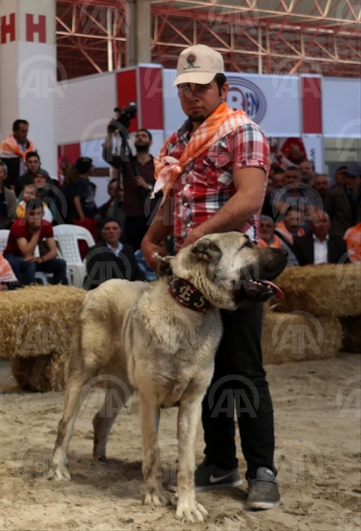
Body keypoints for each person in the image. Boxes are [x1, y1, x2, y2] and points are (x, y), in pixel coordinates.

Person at [140, 44, 279, 510]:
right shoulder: (177, 143)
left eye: (201, 87)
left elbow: (250, 199)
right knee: (206, 370)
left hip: (231, 271)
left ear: (222, 87)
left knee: (244, 369)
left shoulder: (243, 131)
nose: (192, 96)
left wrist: (198, 234)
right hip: (188, 277)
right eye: (185, 89)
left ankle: (262, 469)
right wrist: (153, 237)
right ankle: (219, 461)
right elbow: (172, 202)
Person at [103, 127, 157, 250]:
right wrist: (110, 133)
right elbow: (107, 156)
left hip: (152, 216)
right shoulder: (127, 161)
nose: (139, 138)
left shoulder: (158, 164)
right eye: (137, 136)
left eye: (144, 136)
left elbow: (165, 190)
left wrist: (147, 186)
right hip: (132, 216)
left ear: (150, 142)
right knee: (133, 250)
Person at [4, 200, 67, 286]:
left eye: (38, 213)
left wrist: (41, 259)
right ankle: (27, 293)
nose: (35, 217)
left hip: (30, 258)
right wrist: (37, 231)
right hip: (12, 257)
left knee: (60, 263)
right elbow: (26, 253)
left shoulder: (47, 225)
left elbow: (53, 251)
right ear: (26, 214)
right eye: (31, 214)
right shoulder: (18, 225)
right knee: (30, 263)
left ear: (43, 214)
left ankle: (60, 292)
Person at [83, 217, 143, 290]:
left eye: (115, 228)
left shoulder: (128, 249)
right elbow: (95, 278)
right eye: (107, 229)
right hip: (104, 291)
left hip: (129, 290)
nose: (111, 231)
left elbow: (136, 272)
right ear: (102, 232)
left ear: (120, 232)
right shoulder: (94, 251)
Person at [0, 119, 35, 188]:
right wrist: (9, 183)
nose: (25, 134)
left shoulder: (31, 146)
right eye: (22, 131)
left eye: (26, 131)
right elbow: (3, 168)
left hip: (29, 182)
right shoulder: (6, 146)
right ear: (14, 131)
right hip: (12, 183)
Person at [329, 164, 361, 238]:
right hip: (339, 235)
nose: (349, 180)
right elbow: (328, 213)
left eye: (353, 178)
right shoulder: (334, 193)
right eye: (347, 177)